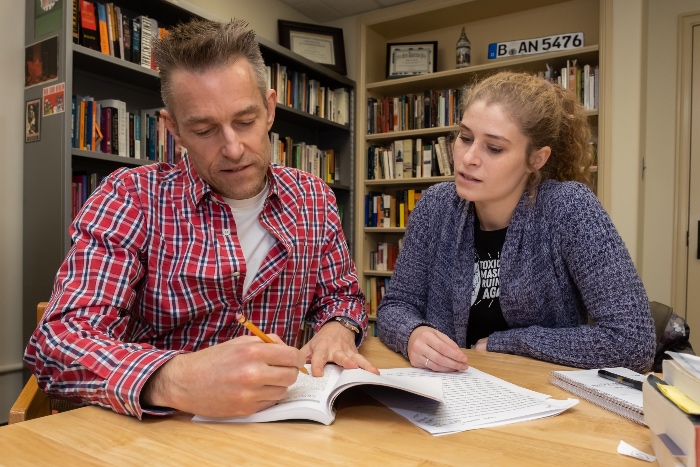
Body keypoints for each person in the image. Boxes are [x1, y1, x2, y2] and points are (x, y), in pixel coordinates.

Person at [25, 18, 378, 420]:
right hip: (157, 434)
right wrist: (174, 379)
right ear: (174, 129)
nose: (232, 148)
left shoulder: (313, 198)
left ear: (270, 109)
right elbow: (57, 343)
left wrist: (337, 328)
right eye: (205, 129)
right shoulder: (132, 197)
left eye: (245, 121)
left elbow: (342, 297)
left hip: (281, 431)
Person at [377, 71, 656, 374]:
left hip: (542, 399)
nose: (468, 157)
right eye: (465, 137)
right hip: (447, 393)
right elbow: (395, 307)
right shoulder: (435, 206)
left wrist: (509, 343)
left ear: (536, 159)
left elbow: (633, 342)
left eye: (494, 148)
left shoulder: (570, 208)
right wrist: (412, 334)